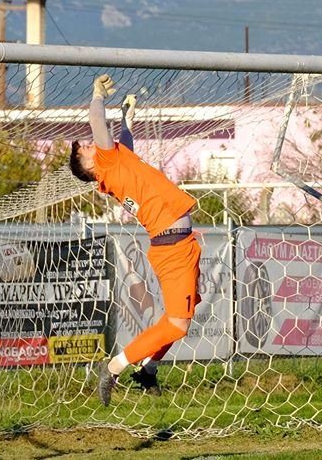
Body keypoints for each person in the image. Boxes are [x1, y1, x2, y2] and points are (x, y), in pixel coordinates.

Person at [69, 74, 202, 406]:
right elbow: (97, 121)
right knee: (177, 323)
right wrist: (96, 95)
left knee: (183, 313)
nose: (89, 144)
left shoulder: (116, 164)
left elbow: (124, 145)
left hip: (176, 244)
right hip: (172, 247)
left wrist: (127, 118)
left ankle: (149, 369)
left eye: (88, 143)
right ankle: (114, 366)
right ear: (90, 168)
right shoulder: (106, 165)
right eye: (85, 150)